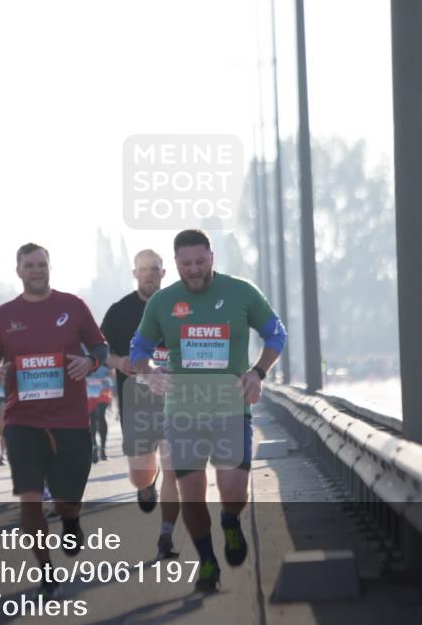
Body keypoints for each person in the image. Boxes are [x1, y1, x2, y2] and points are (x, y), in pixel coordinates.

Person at [130, 230, 286, 592]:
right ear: (176, 265)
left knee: (232, 489)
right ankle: (207, 562)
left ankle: (230, 522)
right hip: (182, 411)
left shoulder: (241, 292)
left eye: (201, 261)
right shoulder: (162, 303)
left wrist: (258, 372)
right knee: (192, 492)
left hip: (231, 409)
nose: (195, 270)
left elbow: (276, 334)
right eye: (187, 264)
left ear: (212, 257)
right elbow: (139, 346)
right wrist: (149, 371)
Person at [0, 242, 108, 599]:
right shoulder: (3, 316)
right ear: (18, 271)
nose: (37, 271)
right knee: (30, 498)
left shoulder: (73, 306)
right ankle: (47, 573)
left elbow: (99, 348)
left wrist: (90, 363)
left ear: (49, 267)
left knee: (68, 498)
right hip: (22, 418)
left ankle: (70, 518)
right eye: (29, 266)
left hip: (69, 417)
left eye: (41, 265)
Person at [100, 249, 181, 560]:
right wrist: (118, 360)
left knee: (174, 469)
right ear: (135, 274)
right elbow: (98, 351)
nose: (149, 274)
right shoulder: (120, 311)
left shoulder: (179, 306)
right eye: (143, 269)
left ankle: (166, 536)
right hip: (136, 403)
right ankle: (146, 484)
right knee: (141, 475)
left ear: (164, 273)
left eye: (155, 269)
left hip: (175, 401)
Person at [85, 363, 111, 464]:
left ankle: (103, 450)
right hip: (88, 388)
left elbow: (111, 361)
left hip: (104, 386)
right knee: (92, 418)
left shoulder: (103, 348)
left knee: (101, 415)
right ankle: (94, 447)